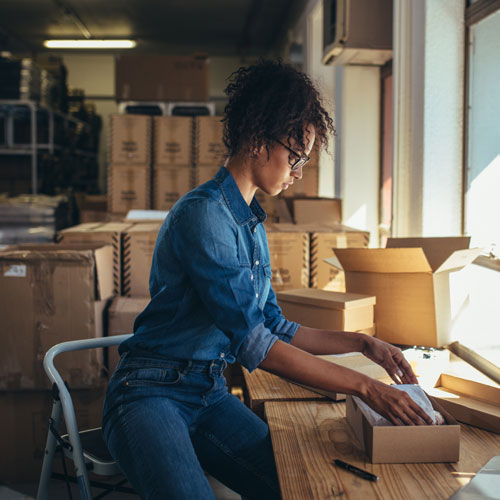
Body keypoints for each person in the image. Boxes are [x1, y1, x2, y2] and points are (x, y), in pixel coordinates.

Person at [102, 59, 432, 500]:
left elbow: (275, 326)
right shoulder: (205, 216)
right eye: (295, 158)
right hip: (148, 393)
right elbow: (254, 344)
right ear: (258, 140)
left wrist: (362, 343)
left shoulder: (252, 223)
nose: (298, 173)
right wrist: (365, 386)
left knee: (297, 486)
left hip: (208, 392)